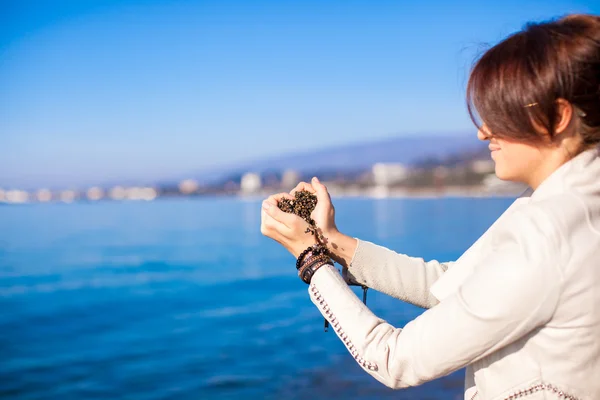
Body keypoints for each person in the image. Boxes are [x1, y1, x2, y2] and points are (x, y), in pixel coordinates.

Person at [260, 14, 600, 400]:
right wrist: (332, 241)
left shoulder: (548, 233)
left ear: (557, 117)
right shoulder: (567, 204)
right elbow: (451, 286)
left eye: (499, 114)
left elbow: (393, 360)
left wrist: (310, 257)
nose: (483, 131)